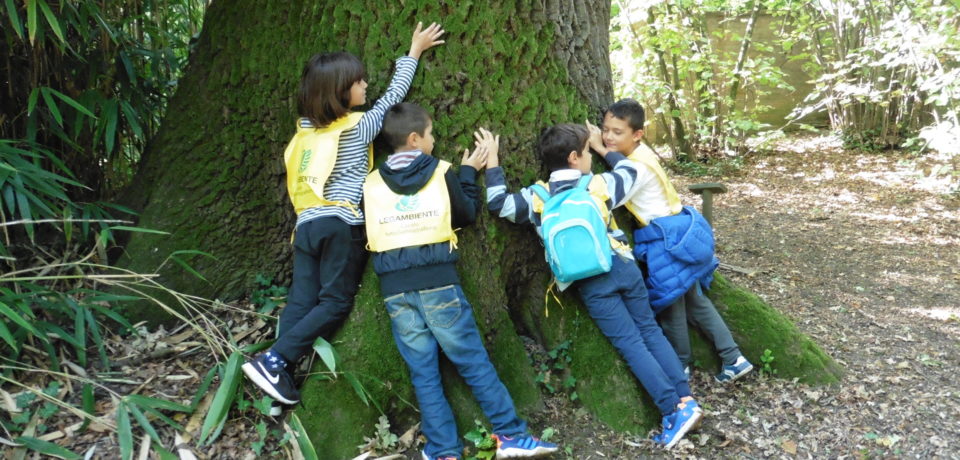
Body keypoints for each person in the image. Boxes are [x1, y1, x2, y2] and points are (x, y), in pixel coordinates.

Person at [242, 22, 446, 405]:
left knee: (302, 302)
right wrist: (414, 52)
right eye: (358, 81)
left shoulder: (303, 136)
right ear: (340, 92)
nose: (366, 85)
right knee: (335, 302)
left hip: (306, 228)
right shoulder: (357, 127)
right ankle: (274, 360)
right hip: (341, 226)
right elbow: (392, 98)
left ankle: (279, 376)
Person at [485, 124, 703, 449]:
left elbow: (498, 203)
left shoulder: (538, 196)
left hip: (590, 281)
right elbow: (632, 171)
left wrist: (492, 162)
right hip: (623, 266)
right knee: (649, 332)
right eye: (587, 151)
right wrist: (606, 149)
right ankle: (684, 401)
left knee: (631, 344)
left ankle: (673, 410)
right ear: (574, 157)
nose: (591, 155)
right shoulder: (597, 185)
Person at [363, 103, 558, 460]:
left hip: (394, 291)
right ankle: (511, 436)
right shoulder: (440, 171)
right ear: (414, 139)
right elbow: (466, 214)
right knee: (472, 361)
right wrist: (468, 172)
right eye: (431, 134)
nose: (434, 140)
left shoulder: (371, 181)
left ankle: (443, 450)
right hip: (439, 285)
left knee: (423, 372)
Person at [599, 98, 753, 383]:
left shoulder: (636, 168)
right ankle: (733, 358)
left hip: (665, 242)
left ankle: (680, 367)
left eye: (617, 132)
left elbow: (611, 195)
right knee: (695, 300)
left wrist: (599, 150)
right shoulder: (643, 155)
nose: (608, 136)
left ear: (637, 134)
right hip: (680, 233)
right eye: (605, 129)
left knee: (670, 306)